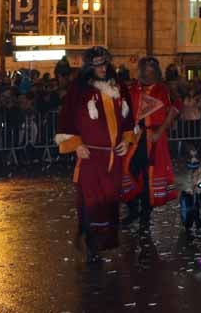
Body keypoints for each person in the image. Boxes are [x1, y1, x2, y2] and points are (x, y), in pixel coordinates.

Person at [55, 47, 135, 261]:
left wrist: (127, 140)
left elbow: (129, 119)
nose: (102, 68)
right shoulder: (79, 90)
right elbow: (66, 118)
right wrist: (75, 144)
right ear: (89, 67)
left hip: (114, 156)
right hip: (91, 155)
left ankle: (103, 241)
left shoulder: (118, 87)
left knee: (110, 200)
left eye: (104, 64)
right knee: (91, 200)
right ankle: (91, 243)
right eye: (97, 65)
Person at [123, 57, 181, 224]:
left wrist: (160, 131)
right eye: (145, 69)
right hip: (135, 138)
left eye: (151, 69)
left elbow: (175, 108)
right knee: (128, 170)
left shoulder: (164, 90)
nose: (148, 73)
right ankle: (133, 208)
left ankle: (145, 215)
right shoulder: (133, 88)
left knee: (150, 175)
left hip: (154, 139)